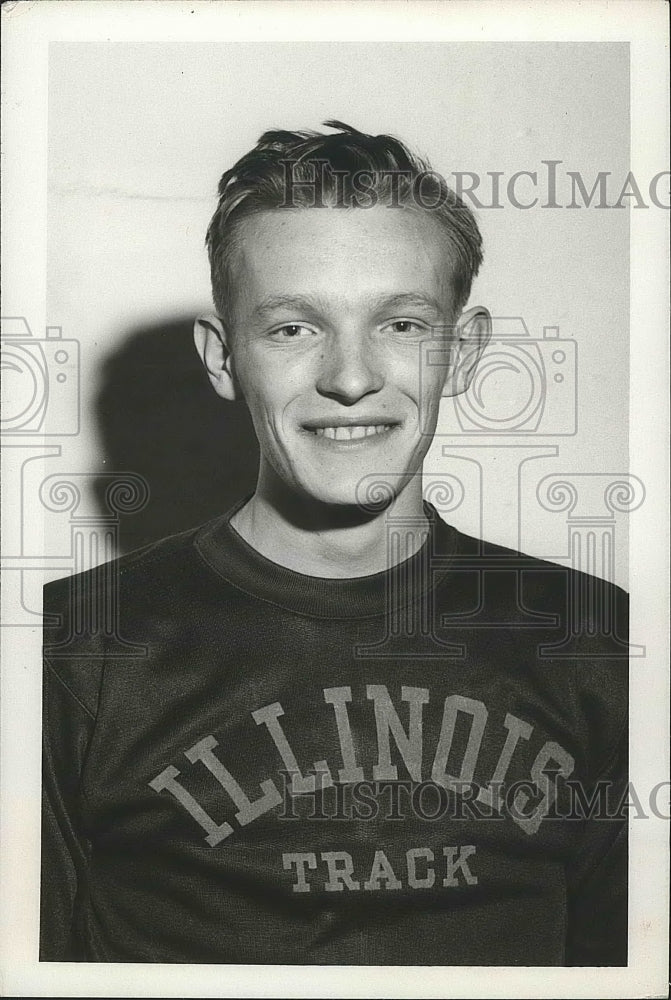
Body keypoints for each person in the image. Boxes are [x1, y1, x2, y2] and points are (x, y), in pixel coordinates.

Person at [41, 122, 628, 965]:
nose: (350, 379)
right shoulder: (71, 651)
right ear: (223, 357)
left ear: (461, 353)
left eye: (399, 324)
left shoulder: (595, 637)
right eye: (292, 328)